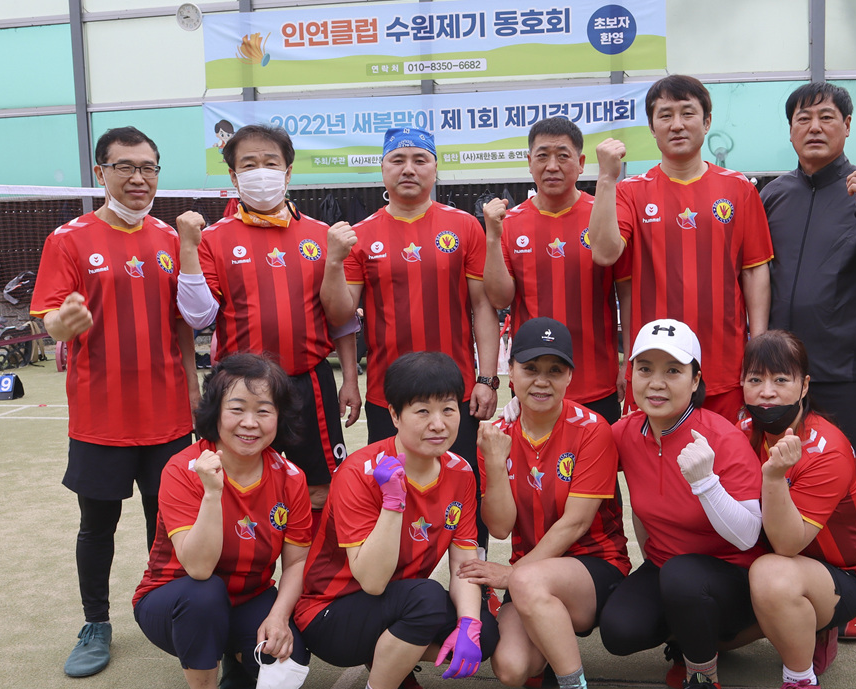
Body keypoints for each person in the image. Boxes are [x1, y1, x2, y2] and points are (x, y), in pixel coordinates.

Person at [757, 81, 856, 641]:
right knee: (771, 478)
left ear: (847, 126)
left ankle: (854, 592)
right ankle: (784, 588)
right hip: (775, 377)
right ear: (790, 130)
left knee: (853, 485)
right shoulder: (772, 195)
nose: (815, 127)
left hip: (843, 372)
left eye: (827, 117)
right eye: (803, 118)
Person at [31, 127, 195, 679]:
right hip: (100, 417)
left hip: (168, 413)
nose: (138, 178)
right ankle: (95, 624)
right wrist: (63, 324)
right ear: (101, 173)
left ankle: (169, 612)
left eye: (148, 167)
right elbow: (51, 319)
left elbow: (183, 326)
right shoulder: (68, 240)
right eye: (125, 166)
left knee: (167, 524)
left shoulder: (171, 239)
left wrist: (193, 389)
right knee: (97, 525)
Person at [294, 351, 498, 689]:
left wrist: (470, 625)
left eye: (448, 409)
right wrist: (393, 502)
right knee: (426, 598)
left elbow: (463, 561)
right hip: (330, 611)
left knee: (486, 631)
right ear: (394, 415)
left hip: (395, 599)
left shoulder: (459, 471)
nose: (438, 424)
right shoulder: (361, 471)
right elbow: (371, 582)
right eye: (422, 411)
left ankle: (394, 666)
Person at [132, 354, 314, 689]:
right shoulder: (183, 469)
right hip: (174, 600)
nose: (250, 423)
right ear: (215, 412)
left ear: (279, 417)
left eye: (263, 411)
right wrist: (213, 493)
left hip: (248, 597)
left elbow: (296, 562)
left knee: (290, 663)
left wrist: (279, 617)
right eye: (237, 409)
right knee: (205, 592)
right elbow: (197, 568)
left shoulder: (291, 477)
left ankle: (235, 660)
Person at [321, 126, 500, 543]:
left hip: (456, 392)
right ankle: (398, 577)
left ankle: (472, 576)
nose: (408, 169)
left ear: (435, 168)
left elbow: (482, 307)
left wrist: (487, 379)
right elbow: (341, 315)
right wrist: (333, 263)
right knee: (392, 493)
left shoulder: (464, 227)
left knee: (464, 489)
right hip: (389, 396)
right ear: (382, 169)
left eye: (420, 160)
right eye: (397, 160)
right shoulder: (361, 235)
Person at [466, 318, 629, 689]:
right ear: (511, 372)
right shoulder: (495, 435)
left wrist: (513, 576)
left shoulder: (592, 428)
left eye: (555, 370)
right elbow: (500, 528)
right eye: (530, 368)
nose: (542, 380)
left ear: (570, 376)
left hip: (594, 567)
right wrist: (494, 463)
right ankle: (548, 638)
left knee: (530, 581)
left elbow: (575, 524)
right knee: (512, 669)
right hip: (530, 575)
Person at [175, 124, 362, 512]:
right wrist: (188, 250)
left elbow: (341, 318)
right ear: (233, 176)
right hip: (239, 388)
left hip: (308, 381)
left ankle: (307, 556)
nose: (261, 172)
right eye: (249, 164)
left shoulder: (322, 235)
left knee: (319, 489)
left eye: (270, 163)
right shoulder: (213, 239)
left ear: (288, 172)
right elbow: (198, 315)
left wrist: (349, 379)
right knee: (241, 487)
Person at [599, 318, 765, 689]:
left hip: (732, 577)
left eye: (673, 371)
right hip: (668, 569)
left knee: (682, 576)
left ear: (695, 380)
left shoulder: (721, 437)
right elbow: (573, 439)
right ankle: (691, 636)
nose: (656, 383)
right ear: (630, 375)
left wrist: (706, 483)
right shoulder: (625, 432)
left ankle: (703, 683)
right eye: (645, 369)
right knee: (619, 631)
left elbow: (749, 536)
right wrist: (521, 411)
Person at [586, 74, 773, 422]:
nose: (677, 124)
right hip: (654, 372)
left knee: (727, 457)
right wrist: (606, 179)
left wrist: (758, 347)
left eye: (687, 113)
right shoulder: (630, 192)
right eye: (665, 115)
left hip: (726, 368)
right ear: (652, 127)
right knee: (653, 457)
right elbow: (604, 253)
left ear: (707, 122)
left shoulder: (739, 189)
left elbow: (754, 269)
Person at [740, 330, 856, 689]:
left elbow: (786, 545)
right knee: (706, 626)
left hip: (842, 575)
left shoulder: (825, 447)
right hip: (775, 558)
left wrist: (774, 477)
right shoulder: (742, 428)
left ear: (804, 386)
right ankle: (808, 630)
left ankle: (801, 682)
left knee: (771, 576)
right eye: (755, 379)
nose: (766, 392)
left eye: (781, 380)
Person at [482, 118, 629, 425]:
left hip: (596, 381)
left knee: (599, 457)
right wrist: (492, 239)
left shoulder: (603, 215)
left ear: (581, 163)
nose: (552, 166)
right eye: (542, 156)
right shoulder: (510, 223)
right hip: (532, 383)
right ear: (529, 162)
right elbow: (499, 298)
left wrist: (628, 360)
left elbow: (627, 294)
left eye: (563, 156)